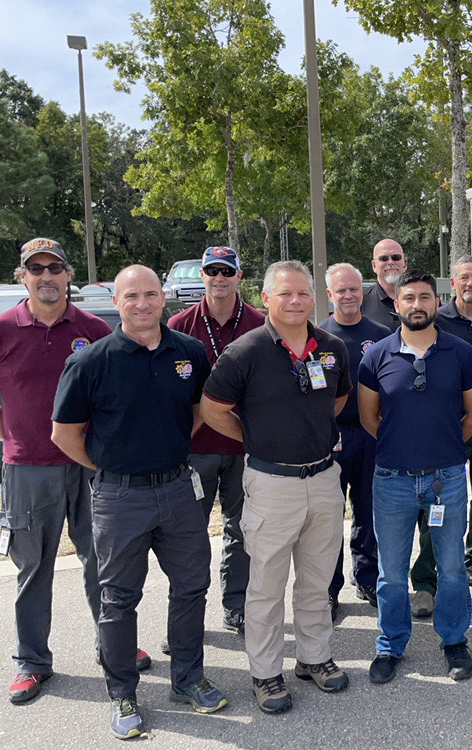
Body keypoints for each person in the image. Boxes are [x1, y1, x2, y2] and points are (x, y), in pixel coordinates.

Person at [51, 265, 226, 740]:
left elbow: (196, 412)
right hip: (117, 495)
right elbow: (63, 435)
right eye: (133, 296)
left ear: (164, 297)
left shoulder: (188, 352)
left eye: (151, 294)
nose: (143, 304)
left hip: (177, 490)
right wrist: (112, 465)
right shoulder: (91, 362)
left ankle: (187, 679)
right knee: (119, 598)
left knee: (191, 586)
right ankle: (123, 690)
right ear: (118, 301)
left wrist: (164, 451)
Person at [0, 238, 150, 705]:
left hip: (91, 468)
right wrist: (16, 437)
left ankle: (112, 646)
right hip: (29, 471)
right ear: (23, 277)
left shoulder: (95, 328)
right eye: (36, 269)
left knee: (102, 561)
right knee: (32, 568)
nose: (46, 276)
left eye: (54, 267)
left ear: (68, 273)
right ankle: (32, 661)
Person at [201, 260, 351, 715]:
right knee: (266, 584)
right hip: (271, 482)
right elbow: (212, 409)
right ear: (265, 298)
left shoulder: (332, 348)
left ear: (313, 298)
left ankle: (314, 657)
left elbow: (338, 400)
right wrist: (259, 438)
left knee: (317, 579)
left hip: (324, 479)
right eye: (285, 294)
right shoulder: (245, 351)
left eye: (303, 293)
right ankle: (266, 672)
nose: (295, 301)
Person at [358, 269, 472, 684]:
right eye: (408, 297)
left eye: (425, 297)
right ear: (396, 304)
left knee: (450, 567)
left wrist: (442, 449)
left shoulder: (462, 353)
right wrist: (405, 448)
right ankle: (390, 644)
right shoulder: (375, 356)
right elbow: (369, 418)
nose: (417, 304)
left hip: (445, 479)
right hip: (391, 479)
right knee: (391, 572)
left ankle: (453, 641)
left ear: (436, 301)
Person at [167, 246, 265, 638]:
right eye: (212, 271)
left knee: (242, 531)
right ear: (202, 276)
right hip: (196, 449)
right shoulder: (178, 325)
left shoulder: (261, 323)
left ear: (239, 276)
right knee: (187, 537)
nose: (219, 278)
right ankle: (185, 620)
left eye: (227, 271)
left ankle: (236, 606)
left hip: (246, 448)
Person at [410, 254, 472, 617]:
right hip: (446, 426)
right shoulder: (436, 320)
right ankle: (424, 581)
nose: (470, 284)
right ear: (452, 283)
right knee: (437, 504)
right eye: (463, 278)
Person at [317, 263, 390, 618]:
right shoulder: (317, 336)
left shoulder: (381, 332)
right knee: (329, 518)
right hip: (333, 438)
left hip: (373, 434)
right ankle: (329, 590)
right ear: (329, 295)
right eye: (340, 290)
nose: (348, 295)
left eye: (353, 289)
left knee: (369, 512)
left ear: (362, 291)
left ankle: (367, 579)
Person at [359, 238, 407, 331]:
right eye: (383, 259)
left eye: (396, 257)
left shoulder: (421, 299)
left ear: (405, 263)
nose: (390, 262)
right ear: (374, 266)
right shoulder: (360, 301)